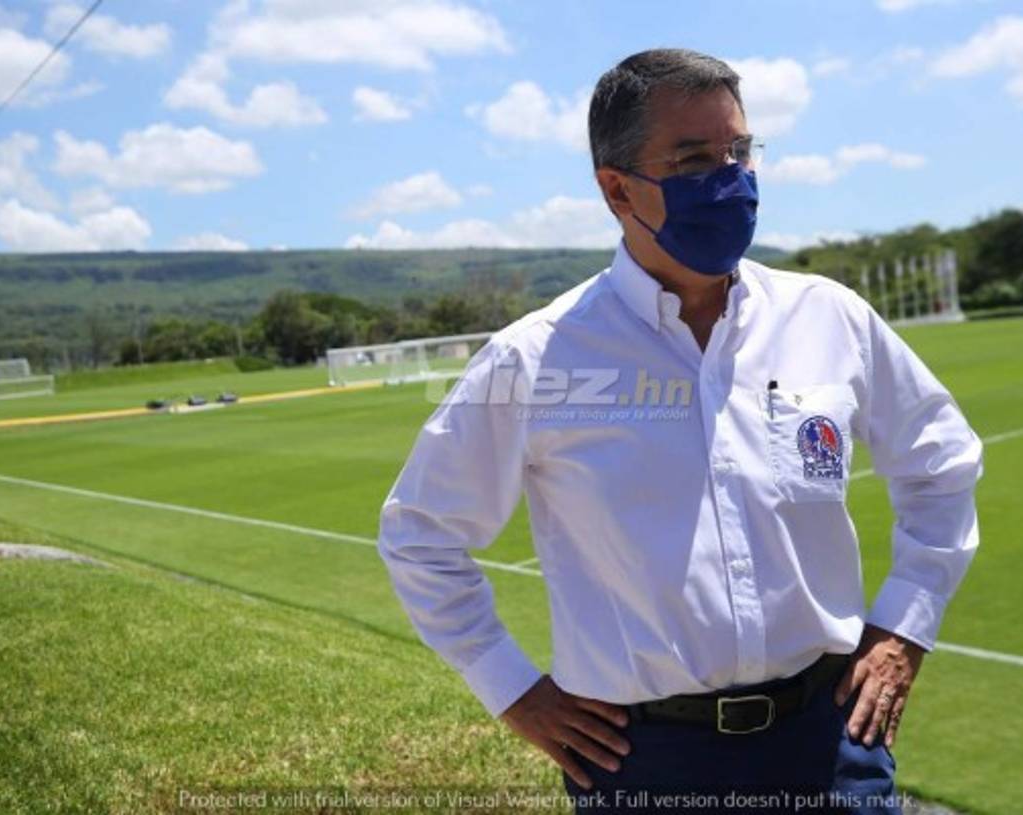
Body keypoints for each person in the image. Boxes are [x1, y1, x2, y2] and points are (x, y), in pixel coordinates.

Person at [377, 48, 983, 814]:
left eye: (739, 151)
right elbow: (420, 533)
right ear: (616, 188)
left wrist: (904, 627)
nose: (728, 178)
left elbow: (943, 462)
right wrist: (512, 690)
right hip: (645, 761)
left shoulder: (827, 316)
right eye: (694, 158)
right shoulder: (538, 358)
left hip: (827, 743)